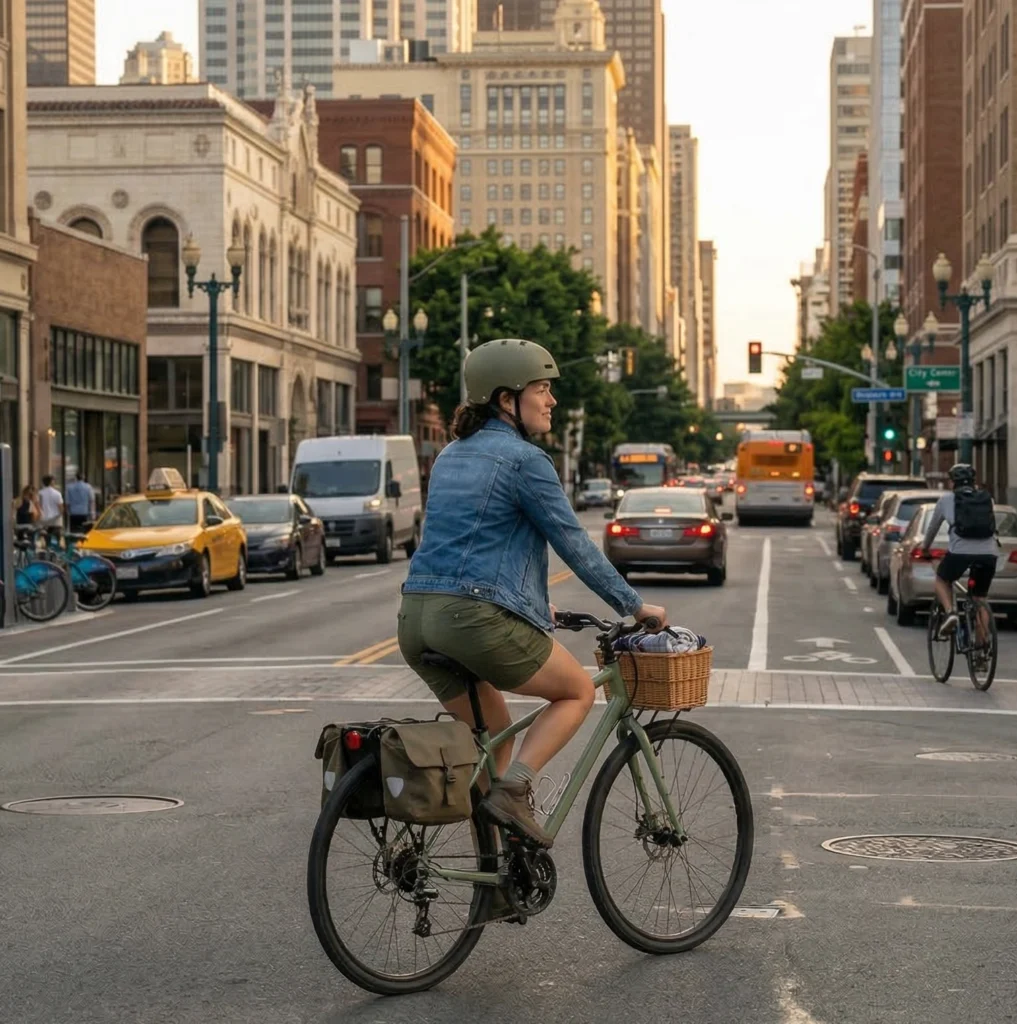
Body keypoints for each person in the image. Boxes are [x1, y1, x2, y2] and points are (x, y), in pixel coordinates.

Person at [398, 338, 668, 850]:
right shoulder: (526, 460)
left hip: (416, 618)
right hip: (474, 618)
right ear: (507, 400)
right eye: (542, 390)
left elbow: (471, 539)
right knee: (578, 691)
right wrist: (635, 606)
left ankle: (494, 871)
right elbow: (576, 547)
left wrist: (528, 600)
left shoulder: (452, 455)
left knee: (494, 735)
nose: (552, 401)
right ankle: (518, 791)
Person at [921, 463, 999, 640]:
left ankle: (950, 614)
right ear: (973, 482)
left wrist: (925, 548)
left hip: (959, 552)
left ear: (951, 483)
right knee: (980, 598)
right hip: (989, 553)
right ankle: (981, 649)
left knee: (942, 579)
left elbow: (933, 528)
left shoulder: (946, 500)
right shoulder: (987, 499)